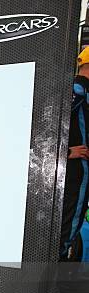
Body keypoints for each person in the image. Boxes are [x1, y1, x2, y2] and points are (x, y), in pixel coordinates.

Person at [60, 47, 89, 259]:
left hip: (75, 174)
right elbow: (41, 126)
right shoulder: (78, 89)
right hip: (71, 174)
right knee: (66, 229)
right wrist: (65, 152)